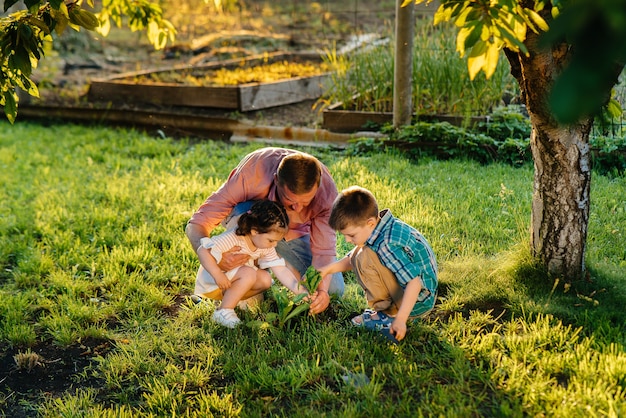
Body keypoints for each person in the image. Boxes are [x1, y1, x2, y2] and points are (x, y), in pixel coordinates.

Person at [186, 147, 344, 314]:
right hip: (252, 228)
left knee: (333, 289)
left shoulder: (326, 194)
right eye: (290, 200)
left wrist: (322, 292)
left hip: (295, 235)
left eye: (305, 202)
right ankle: (242, 282)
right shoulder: (254, 172)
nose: (297, 208)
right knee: (249, 304)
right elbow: (196, 224)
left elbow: (324, 253)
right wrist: (214, 259)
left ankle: (259, 271)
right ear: (276, 181)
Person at [318, 186, 438, 342]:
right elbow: (352, 258)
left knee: (365, 258)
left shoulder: (386, 245)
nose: (347, 240)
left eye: (351, 235)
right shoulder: (382, 229)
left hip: (419, 299)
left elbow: (414, 283)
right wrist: (327, 269)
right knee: (360, 252)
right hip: (419, 292)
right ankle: (394, 310)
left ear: (370, 223)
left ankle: (389, 316)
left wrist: (400, 319)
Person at [195, 200, 309, 328]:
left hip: (231, 279)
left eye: (276, 241)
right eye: (271, 240)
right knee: (249, 273)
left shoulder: (265, 245)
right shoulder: (234, 237)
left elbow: (281, 270)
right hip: (214, 280)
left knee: (266, 279)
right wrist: (217, 275)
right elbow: (202, 250)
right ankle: (223, 311)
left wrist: (301, 291)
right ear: (255, 231)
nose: (275, 245)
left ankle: (233, 299)